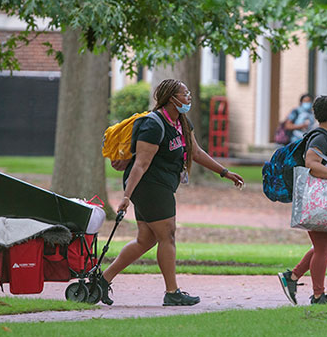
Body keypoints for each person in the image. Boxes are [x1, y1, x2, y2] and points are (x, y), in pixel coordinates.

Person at [100, 79, 245, 306]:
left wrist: (224, 172)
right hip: (149, 186)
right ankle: (172, 292)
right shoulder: (153, 125)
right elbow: (140, 164)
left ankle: (102, 280)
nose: (189, 98)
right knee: (167, 235)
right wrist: (126, 197)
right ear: (171, 99)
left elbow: (195, 152)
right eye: (185, 94)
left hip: (160, 185)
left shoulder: (182, 122)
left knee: (145, 239)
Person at [277, 95, 327, 305]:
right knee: (323, 248)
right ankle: (318, 295)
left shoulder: (326, 138)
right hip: (318, 202)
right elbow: (311, 163)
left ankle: (291, 277)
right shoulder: (319, 137)